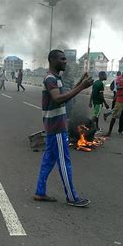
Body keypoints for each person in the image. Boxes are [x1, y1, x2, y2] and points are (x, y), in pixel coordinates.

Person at [33, 49, 93, 207]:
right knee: (64, 162)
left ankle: (40, 192)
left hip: (55, 125)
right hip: (57, 126)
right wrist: (81, 87)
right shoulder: (51, 78)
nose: (65, 62)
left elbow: (65, 96)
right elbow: (58, 99)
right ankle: (72, 197)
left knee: (48, 161)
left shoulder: (56, 78)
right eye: (62, 59)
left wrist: (81, 83)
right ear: (52, 60)